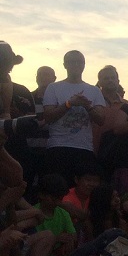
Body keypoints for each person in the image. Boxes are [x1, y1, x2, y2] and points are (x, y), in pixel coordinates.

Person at [42, 50, 106, 186]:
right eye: (72, 62)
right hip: (58, 147)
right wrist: (69, 104)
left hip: (84, 148)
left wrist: (87, 106)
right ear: (65, 65)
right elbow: (48, 117)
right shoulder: (53, 88)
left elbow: (101, 119)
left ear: (84, 65)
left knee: (82, 189)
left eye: (79, 62)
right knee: (57, 189)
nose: (76, 65)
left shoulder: (94, 90)